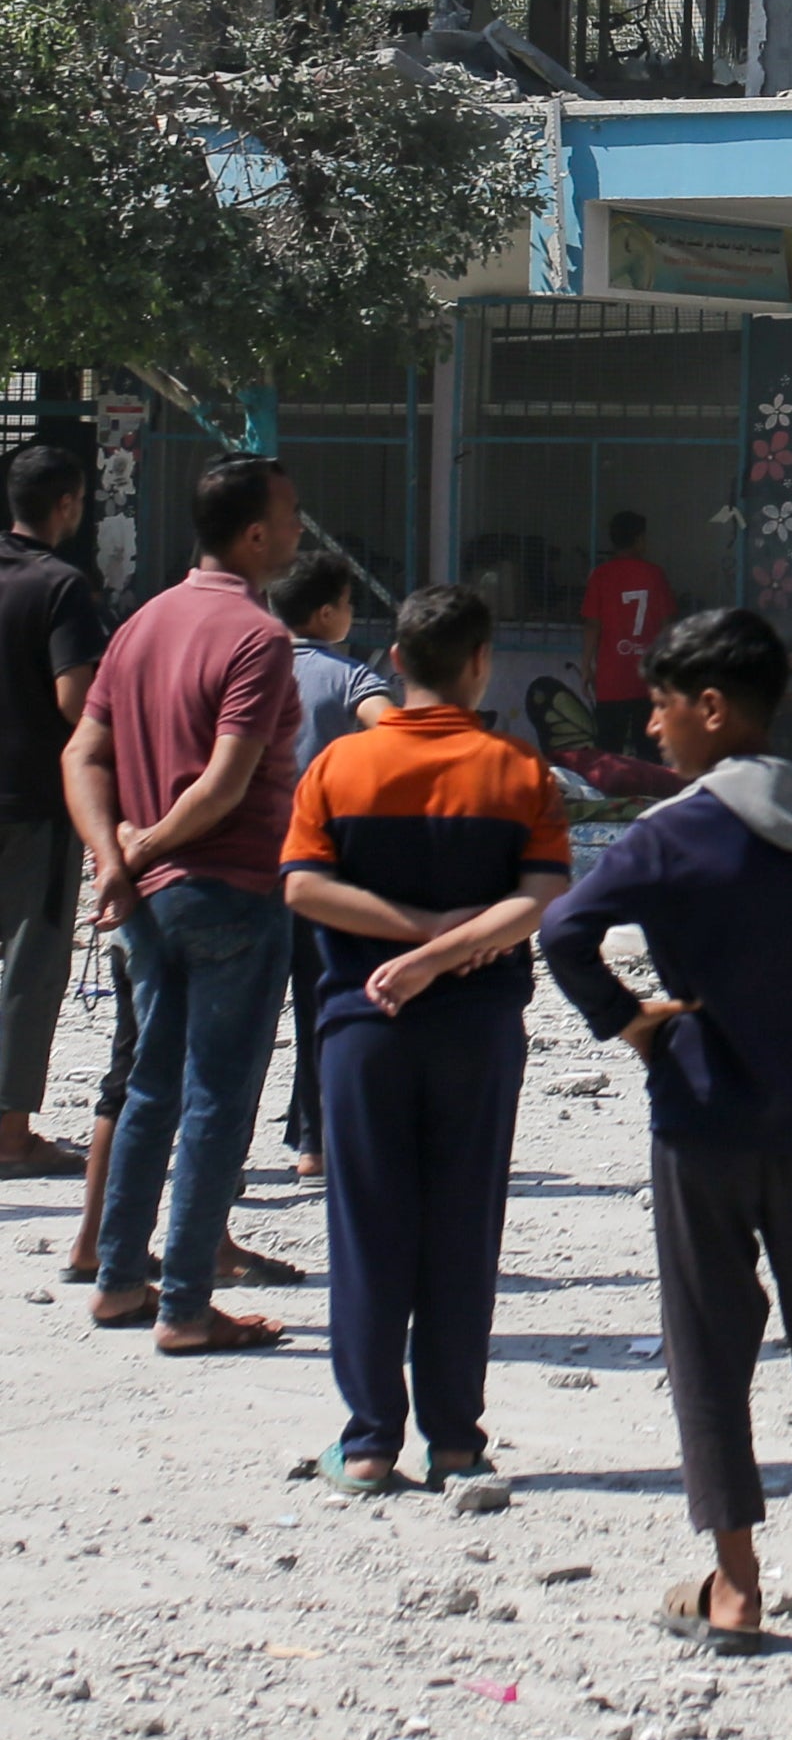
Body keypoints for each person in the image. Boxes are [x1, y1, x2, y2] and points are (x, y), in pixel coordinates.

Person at [537, 607, 792, 1651]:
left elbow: (564, 929)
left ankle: (734, 1584)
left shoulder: (669, 832)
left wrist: (631, 1023)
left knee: (709, 1343)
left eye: (665, 708)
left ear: (712, 707)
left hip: (700, 1120)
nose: (656, 731)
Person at [281, 583, 566, 1494]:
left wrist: (409, 942)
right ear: (481, 663)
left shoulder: (337, 769)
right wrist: (450, 948)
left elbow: (302, 889)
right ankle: (455, 1441)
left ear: (395, 661)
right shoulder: (523, 774)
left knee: (368, 1231)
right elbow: (539, 900)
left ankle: (367, 1443)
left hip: (363, 1027)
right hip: (479, 1034)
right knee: (462, 1230)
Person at [69, 451, 306, 1356]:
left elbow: (82, 756)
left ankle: (121, 1281)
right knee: (216, 1096)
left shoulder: (140, 625)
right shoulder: (260, 638)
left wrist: (115, 859)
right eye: (288, 516)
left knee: (150, 1086)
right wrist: (143, 851)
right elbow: (224, 784)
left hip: (149, 902)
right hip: (231, 890)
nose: (295, 529)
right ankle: (186, 1305)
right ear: (252, 533)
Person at [268, 546, 393, 1186]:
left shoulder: (243, 669)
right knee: (321, 1002)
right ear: (325, 613)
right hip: (321, 870)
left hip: (248, 867)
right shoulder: (348, 677)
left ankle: (224, 1149)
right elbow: (398, 734)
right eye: (348, 603)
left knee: (244, 1013)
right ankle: (314, 1145)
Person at [0, 438, 104, 1185]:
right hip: (35, 799)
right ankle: (10, 1132)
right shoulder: (62, 587)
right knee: (30, 964)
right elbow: (76, 698)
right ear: (66, 504)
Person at [580, 511, 676, 758]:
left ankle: (608, 797)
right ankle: (647, 796)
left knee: (608, 751)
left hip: (612, 677)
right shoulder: (655, 575)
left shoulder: (600, 575)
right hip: (647, 676)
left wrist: (586, 665)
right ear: (639, 539)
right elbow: (667, 625)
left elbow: (592, 625)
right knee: (649, 752)